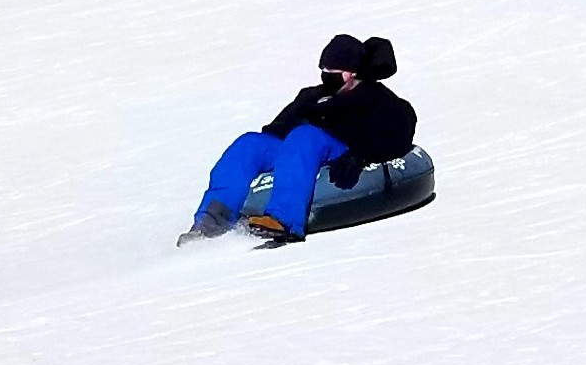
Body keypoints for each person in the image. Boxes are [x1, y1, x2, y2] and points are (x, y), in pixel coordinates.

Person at [177, 34, 417, 245]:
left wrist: (361, 155)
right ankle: (212, 221)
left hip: (341, 147)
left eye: (333, 72)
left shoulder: (376, 98)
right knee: (250, 143)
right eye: (324, 71)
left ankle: (283, 219)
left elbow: (399, 134)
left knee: (305, 136)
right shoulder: (313, 96)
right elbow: (277, 130)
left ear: (351, 72)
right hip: (299, 149)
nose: (326, 76)